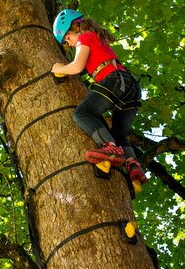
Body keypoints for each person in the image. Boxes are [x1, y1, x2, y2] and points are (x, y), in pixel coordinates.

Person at [51, 9, 148, 184]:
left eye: (68, 38)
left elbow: (76, 67)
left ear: (75, 27)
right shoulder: (95, 37)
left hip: (114, 80)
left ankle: (110, 149)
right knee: (119, 134)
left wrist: (58, 69)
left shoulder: (85, 37)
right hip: (131, 88)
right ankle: (132, 163)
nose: (70, 44)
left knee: (83, 113)